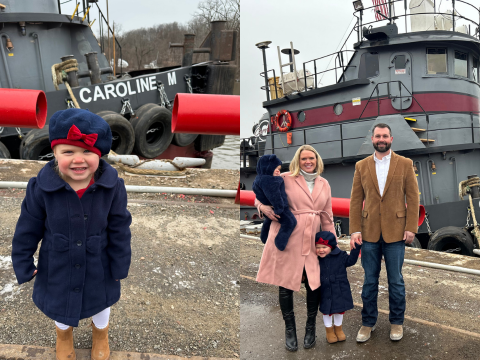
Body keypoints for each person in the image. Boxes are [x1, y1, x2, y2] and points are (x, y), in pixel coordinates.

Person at [11, 108, 132, 360]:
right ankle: (63, 335)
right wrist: (23, 262)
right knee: (59, 301)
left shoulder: (113, 187)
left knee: (102, 301)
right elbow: (27, 228)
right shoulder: (40, 188)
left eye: (87, 151)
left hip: (100, 261)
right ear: (54, 153)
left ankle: (101, 332)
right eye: (68, 152)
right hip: (57, 261)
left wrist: (120, 265)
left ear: (99, 154)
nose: (79, 159)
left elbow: (120, 227)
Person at [255, 144, 336, 351]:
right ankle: (289, 329)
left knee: (313, 282)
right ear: (297, 162)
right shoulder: (285, 178)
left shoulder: (324, 184)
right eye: (303, 159)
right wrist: (262, 207)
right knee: (286, 282)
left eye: (312, 158)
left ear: (317, 160)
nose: (308, 162)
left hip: (313, 237)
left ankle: (311, 327)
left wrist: (332, 245)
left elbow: (327, 216)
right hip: (288, 236)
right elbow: (261, 191)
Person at [349, 123, 419, 343]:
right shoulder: (361, 166)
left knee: (396, 281)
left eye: (385, 136)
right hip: (369, 232)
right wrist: (354, 230)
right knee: (370, 281)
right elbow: (355, 200)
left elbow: (413, 197)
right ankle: (367, 323)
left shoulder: (405, 164)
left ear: (391, 138)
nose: (381, 139)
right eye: (378, 135)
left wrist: (411, 227)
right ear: (372, 139)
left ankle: (396, 322)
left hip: (396, 232)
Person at [315, 230, 361, 344]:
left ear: (331, 247)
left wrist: (356, 248)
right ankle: (329, 331)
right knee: (326, 311)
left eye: (324, 247)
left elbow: (351, 261)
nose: (321, 250)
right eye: (318, 247)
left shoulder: (341, 255)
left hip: (339, 288)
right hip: (324, 289)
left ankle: (339, 329)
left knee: (339, 310)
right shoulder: (315, 259)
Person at [252, 154, 297, 250]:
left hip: (272, 208)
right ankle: (280, 241)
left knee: (269, 220)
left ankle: (264, 237)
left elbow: (258, 193)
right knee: (290, 222)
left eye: (279, 169)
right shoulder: (273, 180)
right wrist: (279, 208)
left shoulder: (258, 179)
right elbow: (274, 195)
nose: (278, 171)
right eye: (275, 168)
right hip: (280, 208)